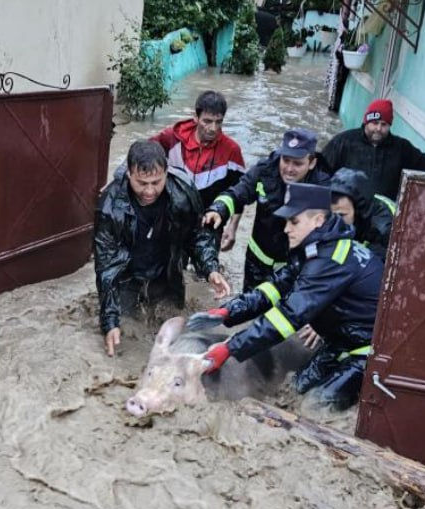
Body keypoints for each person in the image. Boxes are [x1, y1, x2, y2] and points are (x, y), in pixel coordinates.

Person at [195, 182, 384, 410]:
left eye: (294, 222)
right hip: (341, 344)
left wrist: (231, 348)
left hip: (369, 353)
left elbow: (287, 318)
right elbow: (273, 288)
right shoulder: (316, 249)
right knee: (293, 391)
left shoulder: (330, 260)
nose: (286, 229)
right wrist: (227, 312)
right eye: (286, 221)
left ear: (318, 220)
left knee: (314, 407)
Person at [94, 140, 230, 356]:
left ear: (167, 173)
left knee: (174, 332)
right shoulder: (110, 206)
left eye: (156, 182)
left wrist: (210, 268)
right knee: (127, 332)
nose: (149, 191)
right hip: (128, 275)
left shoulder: (183, 193)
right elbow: (106, 268)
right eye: (142, 183)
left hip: (166, 272)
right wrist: (109, 321)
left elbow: (197, 236)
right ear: (129, 174)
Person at [203, 128, 330, 291]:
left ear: (312, 163)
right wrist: (218, 209)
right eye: (286, 160)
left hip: (295, 268)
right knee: (249, 307)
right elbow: (240, 191)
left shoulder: (322, 187)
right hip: (257, 262)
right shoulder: (266, 169)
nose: (289, 169)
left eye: (297, 163)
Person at [150, 90, 245, 251]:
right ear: (196, 117)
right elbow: (141, 156)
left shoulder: (231, 151)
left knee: (206, 271)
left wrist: (233, 228)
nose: (213, 128)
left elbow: (241, 192)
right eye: (207, 121)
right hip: (175, 216)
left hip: (210, 220)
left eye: (218, 122)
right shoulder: (171, 138)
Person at [321, 98, 425, 200]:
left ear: (390, 125)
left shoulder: (402, 148)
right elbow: (321, 171)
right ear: (366, 122)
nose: (378, 128)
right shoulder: (343, 141)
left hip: (383, 214)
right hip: (347, 210)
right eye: (375, 123)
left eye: (384, 124)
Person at [329, 168, 396, 258]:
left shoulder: (383, 229)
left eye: (341, 215)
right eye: (331, 214)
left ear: (358, 211)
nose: (334, 220)